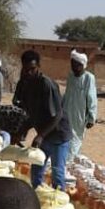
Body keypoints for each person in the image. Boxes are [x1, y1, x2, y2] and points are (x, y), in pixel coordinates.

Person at [13, 49, 72, 190]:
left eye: (32, 69)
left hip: (58, 134)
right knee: (36, 170)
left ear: (38, 66)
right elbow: (30, 113)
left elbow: (57, 115)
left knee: (57, 172)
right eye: (26, 69)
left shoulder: (47, 84)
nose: (29, 72)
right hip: (44, 134)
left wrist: (40, 136)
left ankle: (59, 204)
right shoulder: (24, 84)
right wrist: (22, 131)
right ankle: (38, 197)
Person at [62, 50, 98, 160]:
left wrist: (92, 118)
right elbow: (67, 93)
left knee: (75, 139)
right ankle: (69, 161)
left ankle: (70, 162)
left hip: (79, 116)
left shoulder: (89, 78)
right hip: (66, 112)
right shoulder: (71, 76)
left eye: (75, 64)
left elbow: (92, 98)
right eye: (71, 64)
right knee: (65, 137)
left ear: (81, 65)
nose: (72, 66)